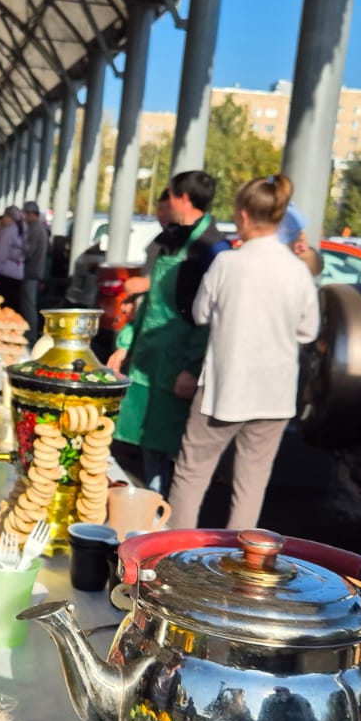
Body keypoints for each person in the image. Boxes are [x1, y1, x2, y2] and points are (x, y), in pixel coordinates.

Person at [166, 174, 318, 531]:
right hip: (275, 396)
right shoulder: (297, 272)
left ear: (245, 215)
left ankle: (170, 567)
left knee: (191, 477)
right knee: (250, 488)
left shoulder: (227, 264)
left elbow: (201, 314)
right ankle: (238, 576)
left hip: (225, 389)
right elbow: (308, 330)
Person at [111, 171, 227, 493]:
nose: (167, 203)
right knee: (147, 445)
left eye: (171, 196)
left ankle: (162, 521)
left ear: (184, 199)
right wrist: (126, 344)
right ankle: (147, 505)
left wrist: (192, 368)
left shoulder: (212, 249)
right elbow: (150, 303)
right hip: (149, 355)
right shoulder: (170, 239)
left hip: (179, 361)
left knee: (176, 454)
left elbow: (211, 317)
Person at [0, 206, 28, 317]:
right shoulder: (23, 229)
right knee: (13, 310)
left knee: (0, 310)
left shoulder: (9, 231)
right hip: (18, 275)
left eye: (4, 216)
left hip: (6, 275)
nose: (3, 219)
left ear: (9, 217)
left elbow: (0, 257)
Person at [21, 201, 51, 340]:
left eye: (27, 214)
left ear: (33, 214)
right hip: (34, 272)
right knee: (29, 304)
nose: (25, 217)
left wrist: (17, 249)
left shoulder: (35, 229)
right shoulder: (39, 228)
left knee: (29, 306)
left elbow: (29, 251)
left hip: (32, 272)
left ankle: (30, 336)